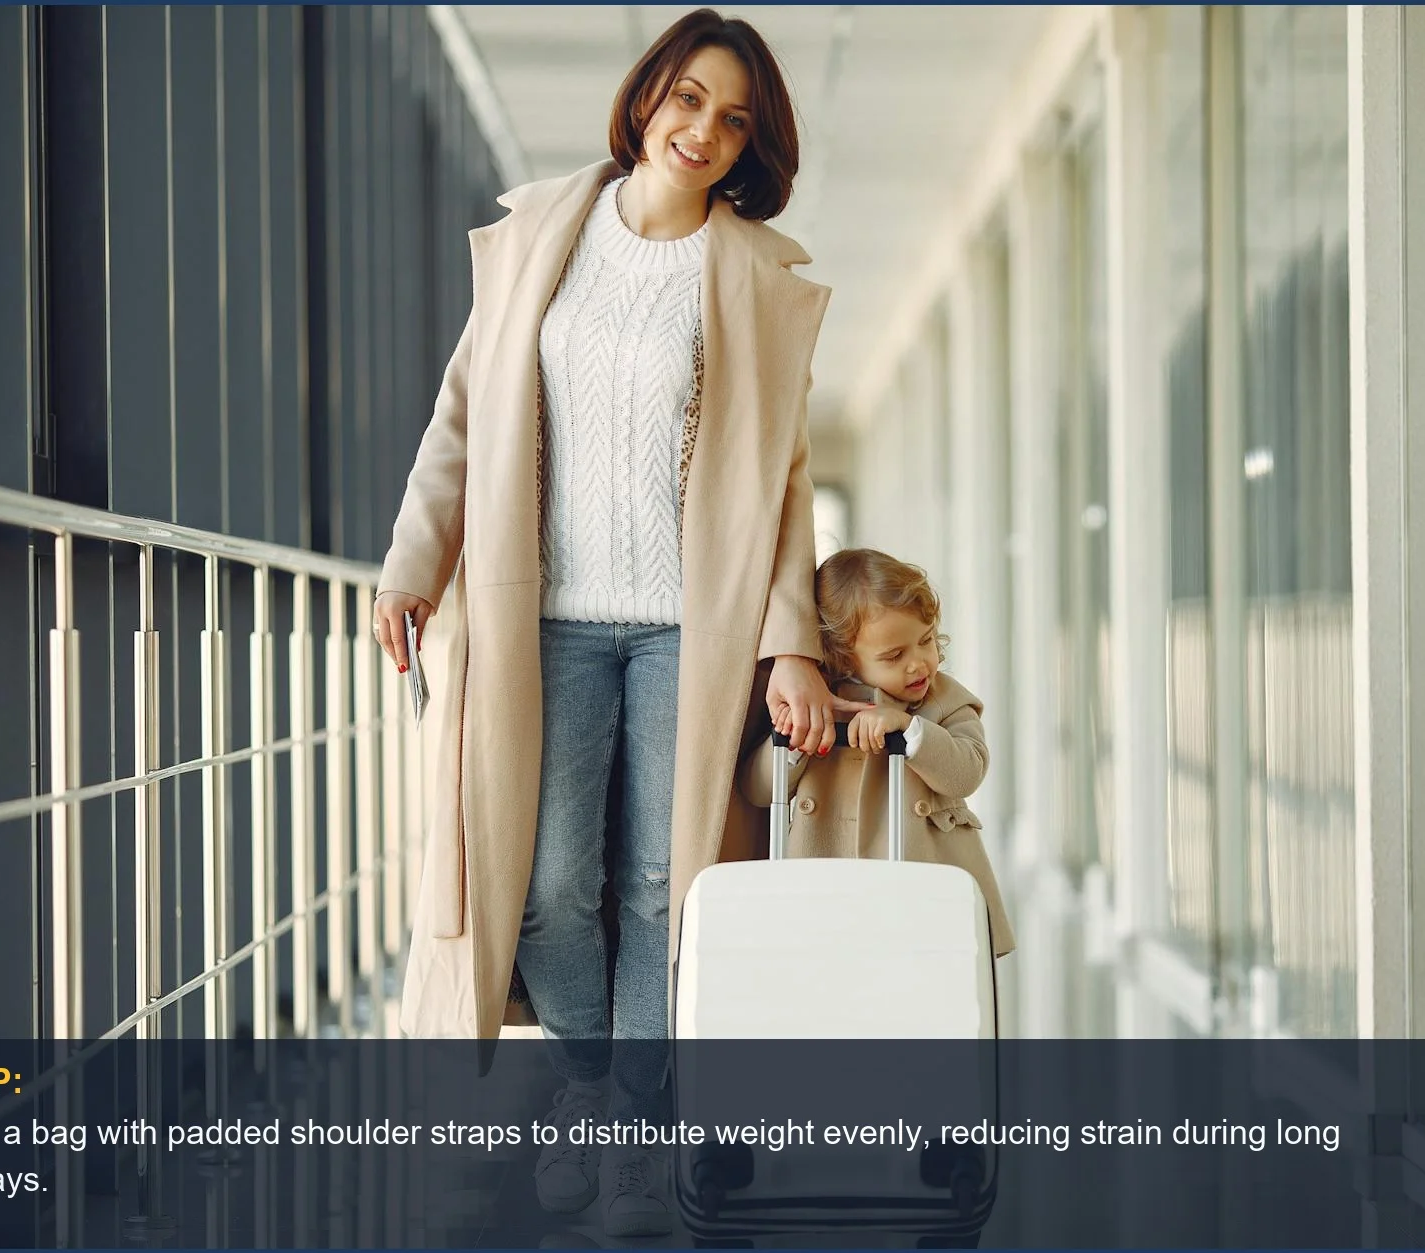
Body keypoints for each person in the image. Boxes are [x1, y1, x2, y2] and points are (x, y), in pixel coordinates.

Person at [370, 8, 866, 1237]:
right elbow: (463, 419)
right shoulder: (542, 230)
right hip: (536, 620)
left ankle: (636, 1138)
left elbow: (782, 479)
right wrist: (408, 562)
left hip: (683, 633)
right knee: (541, 882)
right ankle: (585, 1095)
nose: (703, 129)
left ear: (751, 143)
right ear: (648, 96)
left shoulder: (749, 276)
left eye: (733, 117)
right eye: (688, 98)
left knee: (660, 883)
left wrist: (788, 639)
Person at [740, 549, 1017, 958]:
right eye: (893, 656)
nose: (918, 663)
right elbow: (759, 791)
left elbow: (967, 773)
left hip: (925, 892)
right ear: (842, 657)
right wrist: (797, 741)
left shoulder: (947, 703)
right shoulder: (822, 705)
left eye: (925, 641)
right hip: (828, 890)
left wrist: (909, 728)